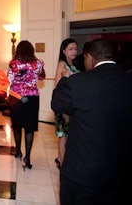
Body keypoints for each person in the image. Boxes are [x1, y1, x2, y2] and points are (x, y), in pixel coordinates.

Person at [51, 39, 132, 205]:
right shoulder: (128, 80)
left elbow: (57, 103)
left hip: (83, 172)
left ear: (88, 57)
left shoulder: (79, 82)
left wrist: (65, 79)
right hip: (122, 172)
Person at [7, 40, 45, 171]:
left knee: (17, 126)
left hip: (16, 97)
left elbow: (9, 80)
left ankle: (18, 151)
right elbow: (41, 77)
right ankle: (27, 156)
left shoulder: (13, 64)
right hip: (32, 98)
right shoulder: (39, 63)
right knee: (30, 128)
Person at [54, 38, 79, 170]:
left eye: (75, 49)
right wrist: (66, 77)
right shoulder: (62, 64)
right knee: (63, 135)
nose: (74, 51)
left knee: (68, 134)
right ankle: (63, 164)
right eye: (70, 49)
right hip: (64, 103)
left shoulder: (74, 64)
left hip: (72, 103)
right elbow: (57, 85)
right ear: (64, 51)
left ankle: (60, 158)